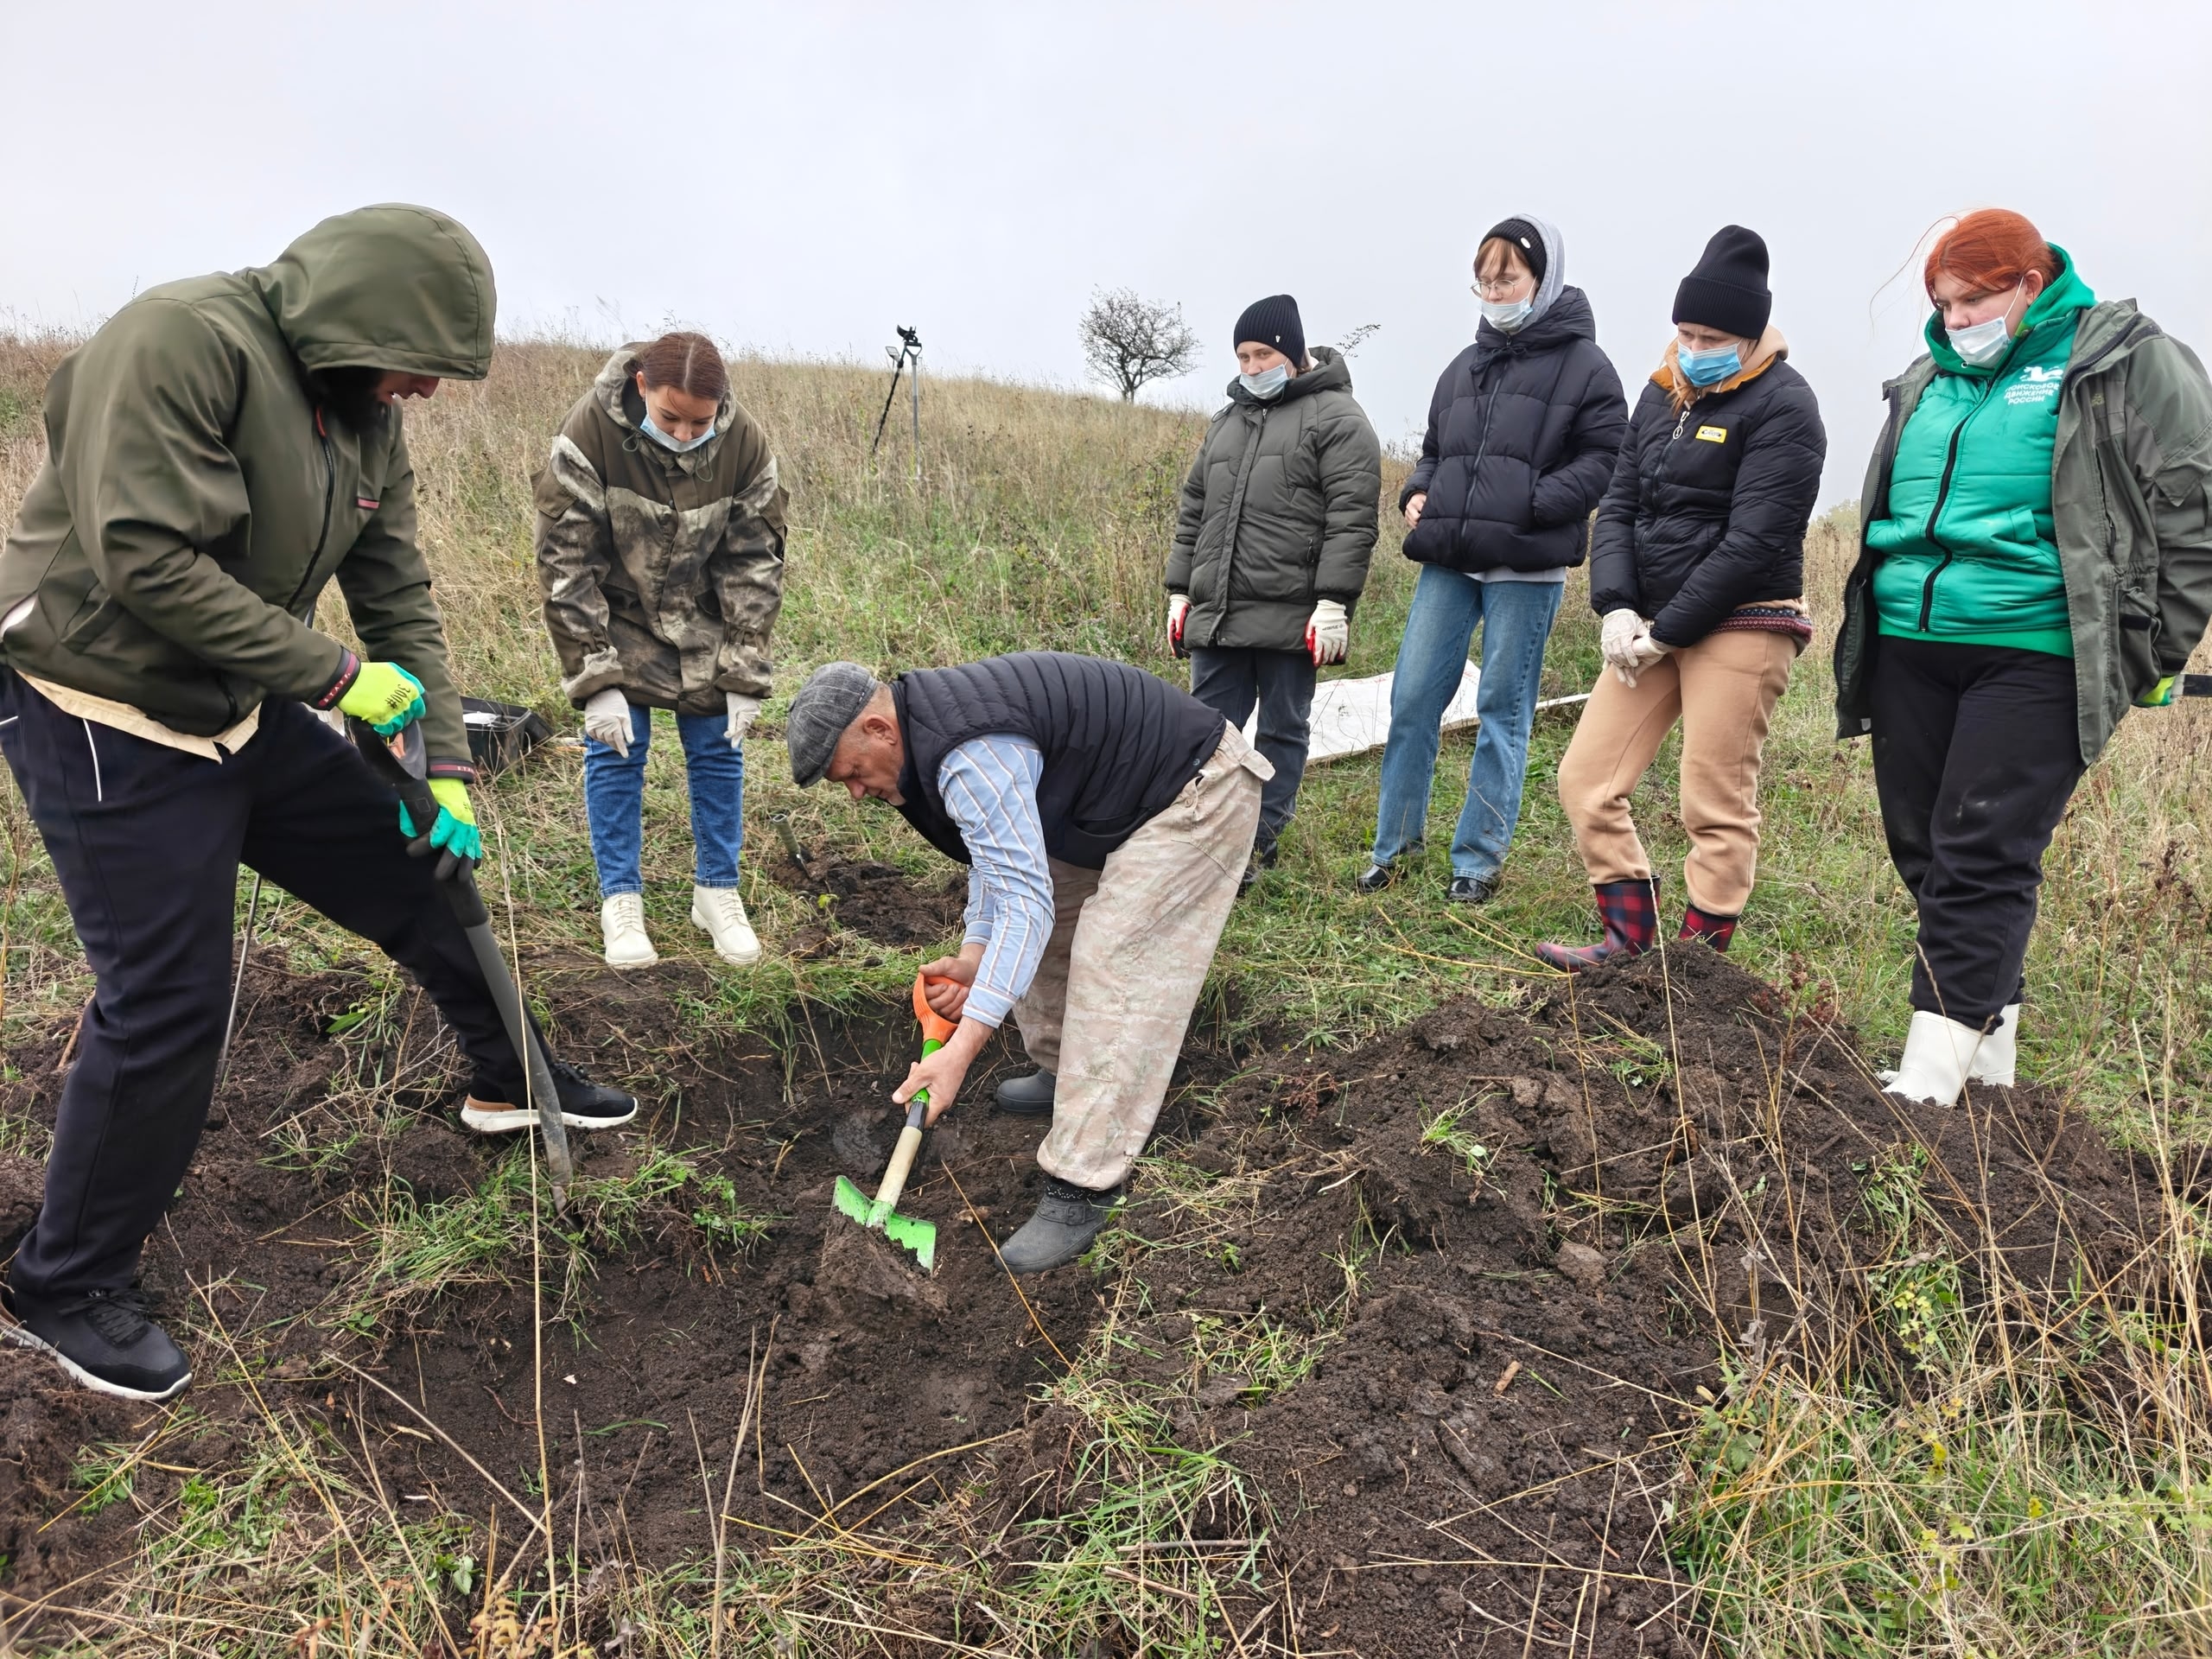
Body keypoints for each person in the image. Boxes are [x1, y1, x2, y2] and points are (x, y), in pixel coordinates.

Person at [0, 206, 637, 1402]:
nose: (428, 395)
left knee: (415, 870)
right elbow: (144, 555)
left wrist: (443, 764)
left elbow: (396, 591)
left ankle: (515, 1081)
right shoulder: (179, 342)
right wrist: (336, 676)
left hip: (243, 701)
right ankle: (63, 1283)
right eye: (422, 367)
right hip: (105, 706)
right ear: (358, 322)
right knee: (170, 1001)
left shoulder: (363, 414)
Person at [1835, 210, 2212, 1107]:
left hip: (2035, 647)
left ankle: (1926, 1086)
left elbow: (2191, 511)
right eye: (1942, 303)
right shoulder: (1926, 379)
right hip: (1913, 645)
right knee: (1924, 849)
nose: (1956, 318)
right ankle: (1985, 1068)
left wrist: (2142, 651)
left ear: (2029, 285)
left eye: (1974, 299)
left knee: (1981, 852)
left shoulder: (2122, 360)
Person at [785, 652, 1270, 1270]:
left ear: (878, 730)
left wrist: (959, 1055)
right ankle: (1067, 1067)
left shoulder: (966, 752)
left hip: (1196, 790)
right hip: (1108, 806)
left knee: (1113, 961)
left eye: (851, 772)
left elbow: (1022, 905)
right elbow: (1000, 861)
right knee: (1051, 918)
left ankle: (1083, 1183)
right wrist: (973, 956)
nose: (855, 792)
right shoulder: (929, 745)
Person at [1536, 226, 1827, 970]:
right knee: (1588, 779)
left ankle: (1697, 974)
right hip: (1652, 625)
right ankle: (1629, 946)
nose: (1695, 345)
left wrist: (1675, 629)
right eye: (1687, 331)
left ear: (1753, 334)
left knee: (1713, 799)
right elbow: (1622, 504)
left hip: (1741, 622)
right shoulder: (1662, 393)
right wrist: (1617, 607)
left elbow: (1755, 539)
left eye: (1714, 335)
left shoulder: (1787, 407)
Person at [1360, 216, 1627, 903]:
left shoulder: (1587, 367)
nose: (1493, 289)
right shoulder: (1463, 366)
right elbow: (1434, 452)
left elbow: (1606, 460)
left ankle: (1475, 863)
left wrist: (1533, 502)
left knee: (1502, 709)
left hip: (1525, 566)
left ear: (1543, 278)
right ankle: (1393, 850)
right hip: (1449, 560)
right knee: (1413, 697)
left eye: (1507, 276)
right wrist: (1418, 493)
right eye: (1483, 279)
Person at [533, 331, 788, 969]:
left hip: (701, 618)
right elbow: (566, 562)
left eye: (698, 421)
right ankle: (621, 901)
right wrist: (597, 678)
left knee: (719, 750)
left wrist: (743, 667)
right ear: (641, 385)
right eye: (669, 417)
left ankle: (716, 892)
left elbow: (755, 560)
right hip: (616, 616)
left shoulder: (744, 443)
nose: (682, 433)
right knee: (619, 750)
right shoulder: (588, 434)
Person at [1165, 294, 1380, 887]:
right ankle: (1200, 838)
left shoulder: (1339, 419)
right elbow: (1194, 511)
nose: (1253, 366)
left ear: (1293, 352)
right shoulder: (1226, 422)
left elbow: (1352, 519)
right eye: (1243, 356)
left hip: (1292, 615)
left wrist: (1333, 603)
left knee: (1282, 730)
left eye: (1264, 353)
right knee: (1207, 730)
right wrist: (1181, 591)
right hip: (1220, 612)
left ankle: (1259, 847)